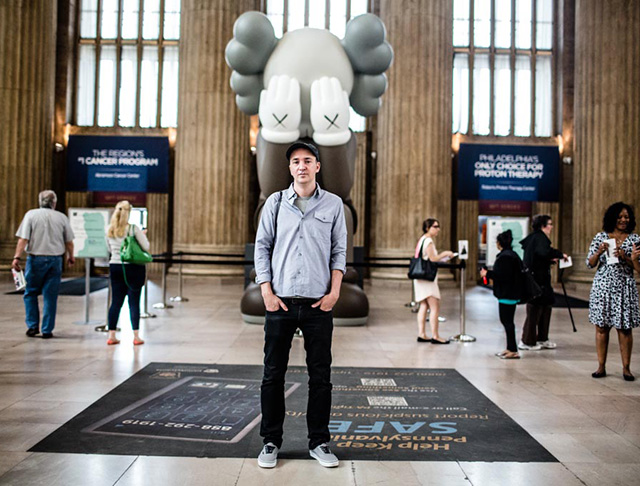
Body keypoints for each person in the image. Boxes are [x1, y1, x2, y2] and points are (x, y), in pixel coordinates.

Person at [254, 140, 347, 469]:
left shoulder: (333, 204)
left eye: (307, 160)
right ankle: (270, 441)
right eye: (296, 161)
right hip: (279, 302)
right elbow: (262, 247)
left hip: (318, 304)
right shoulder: (275, 203)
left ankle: (319, 442)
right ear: (290, 168)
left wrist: (334, 293)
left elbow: (339, 251)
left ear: (317, 166)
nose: (302, 166)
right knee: (272, 375)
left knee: (320, 377)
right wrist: (266, 291)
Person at [587, 202, 640, 381]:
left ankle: (626, 368)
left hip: (625, 287)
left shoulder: (635, 239)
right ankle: (601, 366)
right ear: (612, 218)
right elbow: (590, 263)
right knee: (602, 327)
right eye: (620, 217)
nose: (624, 220)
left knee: (624, 328)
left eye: (627, 217)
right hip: (603, 287)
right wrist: (599, 252)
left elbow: (639, 269)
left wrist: (627, 258)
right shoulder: (601, 237)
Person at [12, 190, 75, 339]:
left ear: (40, 201)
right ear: (54, 203)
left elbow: (23, 239)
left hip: (36, 259)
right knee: (50, 296)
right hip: (55, 260)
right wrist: (70, 256)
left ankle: (33, 326)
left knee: (30, 293)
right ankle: (47, 330)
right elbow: (69, 241)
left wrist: (17, 257)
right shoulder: (62, 217)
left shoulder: (31, 215)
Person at [518, 214, 567, 351]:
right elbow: (543, 252)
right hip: (537, 281)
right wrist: (559, 254)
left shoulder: (536, 238)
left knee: (545, 307)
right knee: (534, 310)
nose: (551, 227)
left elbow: (538, 257)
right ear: (542, 226)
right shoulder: (539, 238)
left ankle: (542, 338)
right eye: (549, 224)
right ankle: (527, 341)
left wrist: (550, 260)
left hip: (541, 279)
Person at [105, 201, 150, 346]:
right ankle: (136, 336)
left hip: (115, 266)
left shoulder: (109, 229)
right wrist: (142, 235)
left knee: (116, 302)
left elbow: (109, 249)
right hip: (133, 267)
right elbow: (146, 246)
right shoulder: (132, 229)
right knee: (134, 301)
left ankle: (112, 335)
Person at [480, 230, 522, 359]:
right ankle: (510, 348)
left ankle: (513, 350)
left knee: (507, 322)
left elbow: (503, 276)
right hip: (511, 293)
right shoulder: (512, 255)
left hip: (507, 294)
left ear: (499, 243)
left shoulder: (505, 257)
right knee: (507, 322)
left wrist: (487, 274)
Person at [413, 218, 456, 344]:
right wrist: (445, 254)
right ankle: (435, 336)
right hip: (427, 278)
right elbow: (432, 258)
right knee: (434, 306)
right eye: (435, 226)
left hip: (420, 277)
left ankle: (422, 334)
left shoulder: (422, 239)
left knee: (424, 305)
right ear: (428, 228)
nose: (438, 229)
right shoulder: (429, 241)